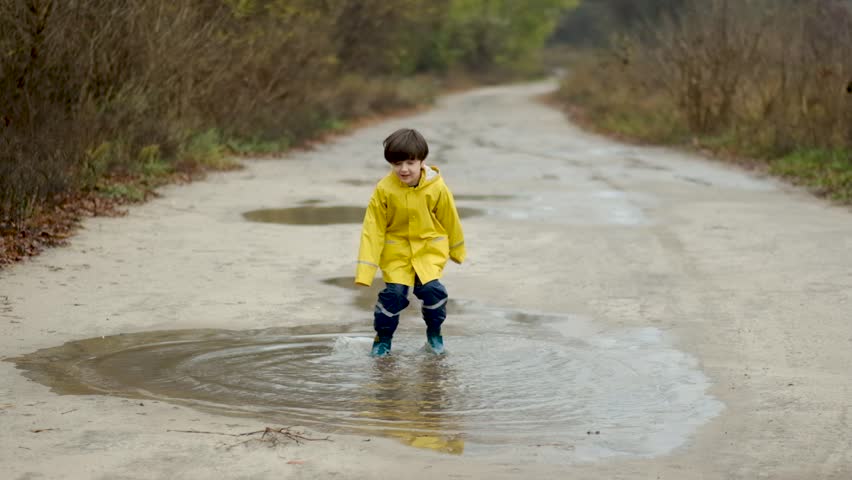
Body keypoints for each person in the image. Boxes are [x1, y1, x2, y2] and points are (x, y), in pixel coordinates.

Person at [355, 128, 465, 356]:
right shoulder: (384, 189)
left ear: (422, 161)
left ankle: (434, 333)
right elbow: (372, 229)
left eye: (409, 162)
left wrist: (457, 250)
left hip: (428, 251)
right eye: (397, 163)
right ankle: (383, 339)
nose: (403, 169)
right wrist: (365, 270)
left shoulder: (437, 187)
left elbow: (450, 218)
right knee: (394, 294)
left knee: (433, 291)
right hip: (396, 253)